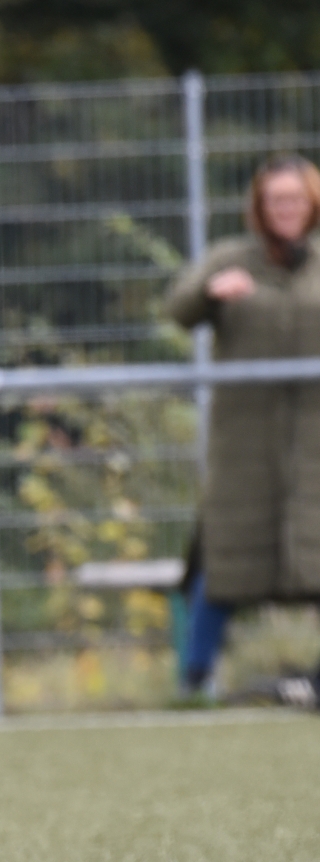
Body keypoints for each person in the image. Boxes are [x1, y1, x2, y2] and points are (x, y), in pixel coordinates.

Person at [165, 154, 320, 703]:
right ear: (259, 205)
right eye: (275, 199)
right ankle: (192, 683)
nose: (285, 209)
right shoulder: (231, 258)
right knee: (225, 560)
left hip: (314, 446)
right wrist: (211, 293)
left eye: (294, 198)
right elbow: (178, 309)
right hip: (246, 446)